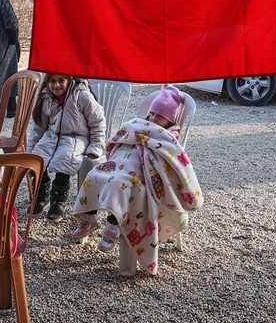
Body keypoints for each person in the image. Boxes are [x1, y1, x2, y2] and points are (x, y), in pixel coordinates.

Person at [72, 85, 202, 275]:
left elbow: (172, 157)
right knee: (95, 174)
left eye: (160, 116)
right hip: (122, 163)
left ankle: (113, 225)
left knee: (119, 185)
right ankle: (89, 217)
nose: (154, 119)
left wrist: (148, 143)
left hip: (142, 172)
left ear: (170, 120)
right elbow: (120, 137)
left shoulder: (169, 136)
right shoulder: (139, 124)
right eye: (152, 113)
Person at [25, 73, 105, 221]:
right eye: (52, 81)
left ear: (69, 80)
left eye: (61, 81)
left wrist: (95, 146)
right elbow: (38, 127)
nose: (56, 85)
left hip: (76, 137)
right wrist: (31, 148)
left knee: (65, 158)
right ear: (47, 82)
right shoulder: (46, 98)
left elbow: (98, 122)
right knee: (37, 159)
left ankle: (58, 200)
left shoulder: (82, 96)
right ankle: (41, 196)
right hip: (52, 136)